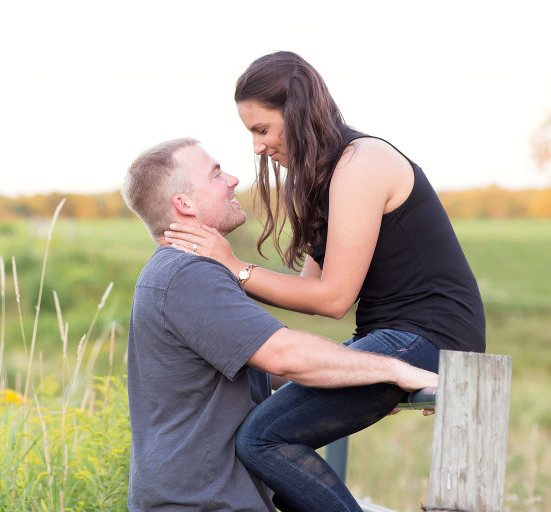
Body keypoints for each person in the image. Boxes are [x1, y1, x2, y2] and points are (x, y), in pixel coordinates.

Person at [163, 51, 486, 511]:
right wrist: (225, 293)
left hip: (429, 336)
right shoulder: (325, 177)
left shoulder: (362, 162)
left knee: (263, 439)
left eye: (261, 129)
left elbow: (334, 299)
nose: (257, 147)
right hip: (389, 336)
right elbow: (311, 293)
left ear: (295, 113)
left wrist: (235, 266)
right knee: (271, 441)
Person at [122, 137, 438, 512]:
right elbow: (284, 355)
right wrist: (397, 371)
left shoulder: (176, 273)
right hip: (204, 502)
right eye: (216, 173)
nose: (233, 179)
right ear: (184, 203)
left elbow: (257, 365)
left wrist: (358, 383)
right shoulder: (188, 276)